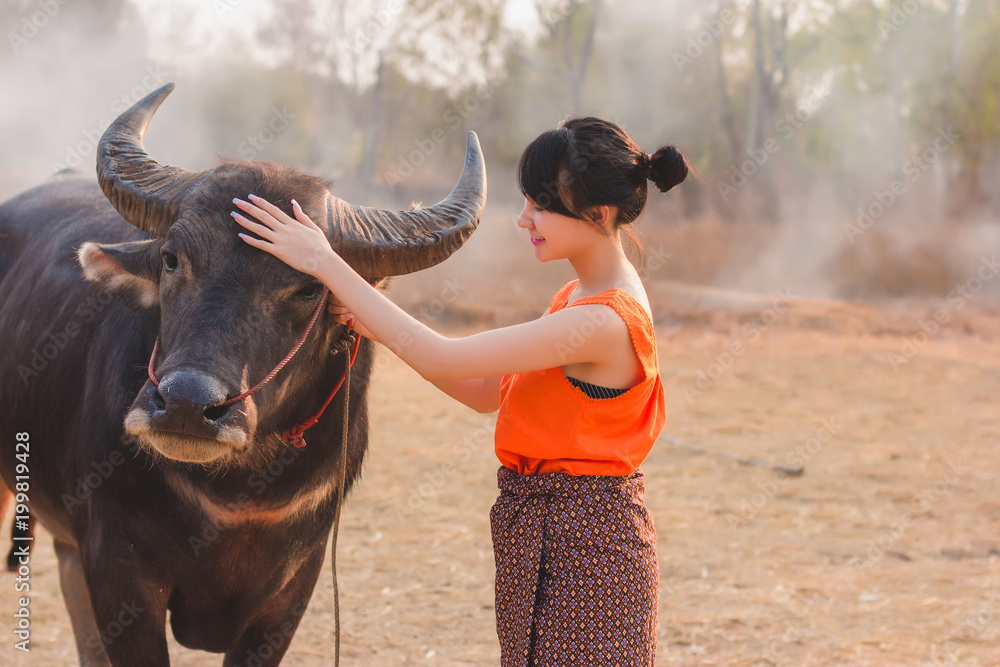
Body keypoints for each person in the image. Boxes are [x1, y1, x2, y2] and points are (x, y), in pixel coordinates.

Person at [232, 116, 688, 666]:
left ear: (597, 213)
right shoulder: (576, 296)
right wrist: (371, 320)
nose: (525, 219)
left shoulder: (603, 320)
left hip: (587, 544)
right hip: (545, 528)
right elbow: (483, 390)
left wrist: (324, 262)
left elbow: (445, 354)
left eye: (541, 205)